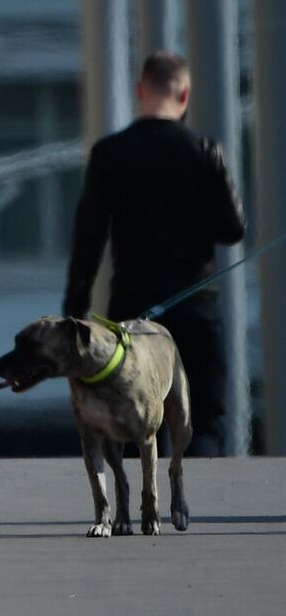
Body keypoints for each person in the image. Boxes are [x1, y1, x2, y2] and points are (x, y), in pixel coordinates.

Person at [63, 51, 247, 455]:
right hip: (195, 305)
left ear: (139, 91)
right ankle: (200, 507)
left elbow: (89, 240)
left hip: (134, 311)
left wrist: (74, 310)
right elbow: (233, 229)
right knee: (201, 421)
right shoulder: (204, 150)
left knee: (131, 422)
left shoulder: (111, 153)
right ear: (185, 95)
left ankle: (136, 514)